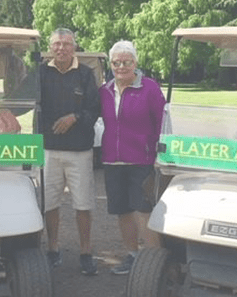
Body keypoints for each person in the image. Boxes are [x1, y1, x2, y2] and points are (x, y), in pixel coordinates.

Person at [99, 40, 166, 275]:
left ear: (135, 63)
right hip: (112, 160)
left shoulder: (149, 88)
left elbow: (162, 122)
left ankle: (154, 260)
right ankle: (132, 255)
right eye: (116, 62)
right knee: (122, 210)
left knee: (143, 209)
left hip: (142, 159)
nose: (121, 66)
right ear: (111, 64)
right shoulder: (105, 91)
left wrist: (160, 153)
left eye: (126, 62)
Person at [40, 28, 101, 276]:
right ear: (50, 47)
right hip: (48, 149)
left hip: (79, 151)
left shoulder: (85, 74)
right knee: (49, 203)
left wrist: (74, 117)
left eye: (66, 44)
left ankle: (86, 252)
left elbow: (94, 109)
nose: (61, 48)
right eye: (57, 44)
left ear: (74, 47)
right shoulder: (41, 72)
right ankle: (53, 249)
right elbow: (22, 98)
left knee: (83, 204)